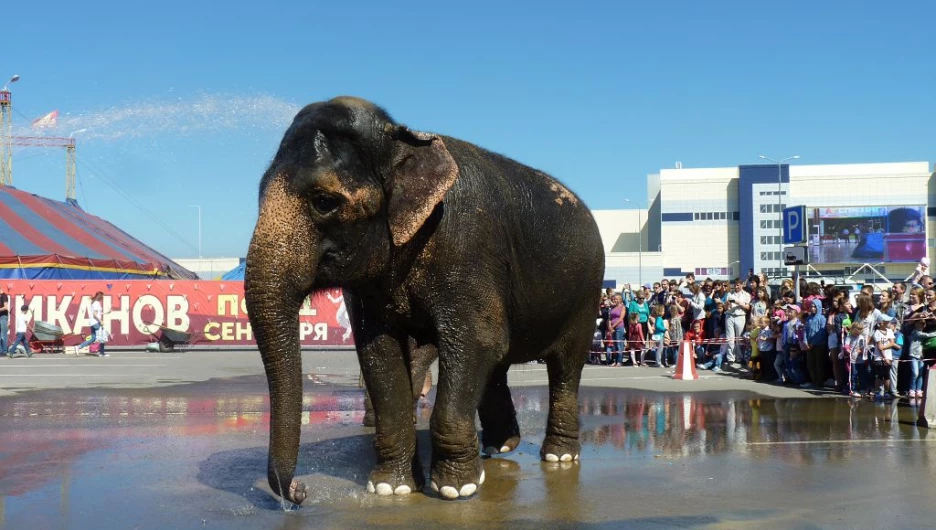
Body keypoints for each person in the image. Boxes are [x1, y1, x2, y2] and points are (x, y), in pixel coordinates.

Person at [75, 292, 108, 357]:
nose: (103, 298)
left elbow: (99, 313)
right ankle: (102, 352)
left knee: (93, 338)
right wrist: (100, 321)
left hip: (92, 323)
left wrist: (107, 312)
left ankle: (78, 347)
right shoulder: (96, 303)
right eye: (102, 297)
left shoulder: (94, 303)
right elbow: (95, 314)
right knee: (103, 336)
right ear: (100, 296)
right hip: (96, 322)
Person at [0, 286, 9, 356]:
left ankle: (4, 351)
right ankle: (0, 350)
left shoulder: (4, 296)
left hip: (3, 317)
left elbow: (6, 307)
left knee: (3, 335)